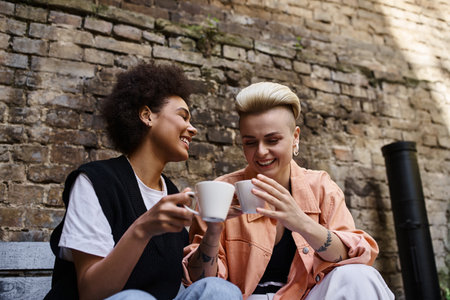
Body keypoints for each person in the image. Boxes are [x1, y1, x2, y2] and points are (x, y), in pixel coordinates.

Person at [45, 62, 242, 300]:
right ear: (147, 116)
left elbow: (197, 282)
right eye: (183, 116)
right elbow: (91, 292)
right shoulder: (95, 182)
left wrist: (214, 228)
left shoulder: (171, 193)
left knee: (220, 290)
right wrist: (143, 228)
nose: (193, 129)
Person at [183, 82, 395, 299]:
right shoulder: (222, 191)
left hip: (307, 295)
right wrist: (213, 232)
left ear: (295, 137)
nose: (261, 152)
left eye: (272, 140)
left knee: (359, 276)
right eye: (250, 143)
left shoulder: (320, 187)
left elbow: (354, 255)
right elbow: (201, 285)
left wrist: (301, 223)